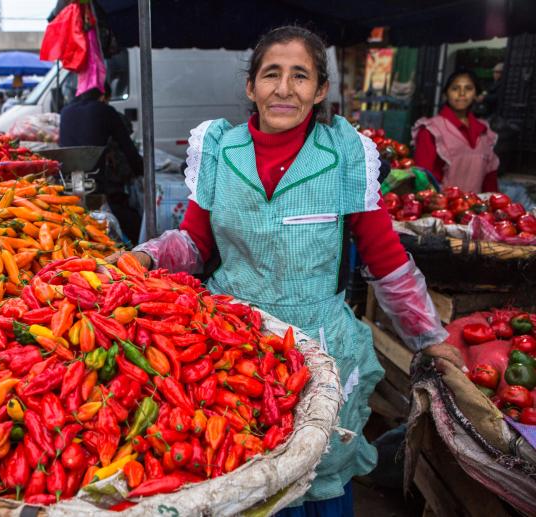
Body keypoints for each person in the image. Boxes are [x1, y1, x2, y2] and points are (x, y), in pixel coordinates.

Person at [111, 26, 461, 515]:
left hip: (319, 348)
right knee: (240, 473)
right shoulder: (218, 148)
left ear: (320, 90)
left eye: (301, 76)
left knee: (319, 476)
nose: (284, 88)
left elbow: (385, 256)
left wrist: (428, 337)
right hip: (231, 347)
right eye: (271, 74)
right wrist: (147, 255)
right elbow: (194, 241)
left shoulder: (343, 153)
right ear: (250, 87)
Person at [60, 83, 144, 244]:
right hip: (94, 179)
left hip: (67, 178)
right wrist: (140, 170)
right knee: (119, 211)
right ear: (104, 96)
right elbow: (127, 146)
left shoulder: (65, 111)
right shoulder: (105, 110)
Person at [413, 70, 499, 193]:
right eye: (455, 88)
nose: (462, 93)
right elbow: (422, 178)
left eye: (468, 88)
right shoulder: (431, 130)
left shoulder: (485, 132)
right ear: (446, 94)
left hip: (476, 207)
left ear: (476, 94)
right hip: (440, 208)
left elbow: (490, 180)